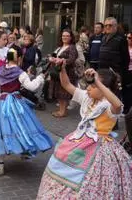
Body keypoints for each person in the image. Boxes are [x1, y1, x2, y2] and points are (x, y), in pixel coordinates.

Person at [37, 62, 132, 199]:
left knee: (93, 179)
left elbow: (117, 105)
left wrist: (97, 83)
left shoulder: (108, 106)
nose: (88, 88)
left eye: (92, 86)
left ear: (104, 88)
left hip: (100, 148)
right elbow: (67, 85)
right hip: (80, 141)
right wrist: (62, 69)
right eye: (89, 84)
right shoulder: (88, 98)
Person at [0, 49, 54, 175]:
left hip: (2, 104)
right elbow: (32, 87)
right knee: (22, 128)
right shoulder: (20, 72)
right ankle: (25, 151)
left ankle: (0, 165)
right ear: (18, 58)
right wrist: (40, 77)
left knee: (1, 131)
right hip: (17, 103)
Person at [49, 29, 78, 118]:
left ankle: (63, 111)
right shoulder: (60, 47)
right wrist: (51, 58)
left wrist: (62, 60)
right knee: (59, 91)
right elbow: (55, 56)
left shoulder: (72, 47)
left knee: (64, 92)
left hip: (67, 72)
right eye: (63, 36)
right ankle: (61, 110)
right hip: (58, 72)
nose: (64, 37)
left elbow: (72, 59)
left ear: (71, 37)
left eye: (67, 36)